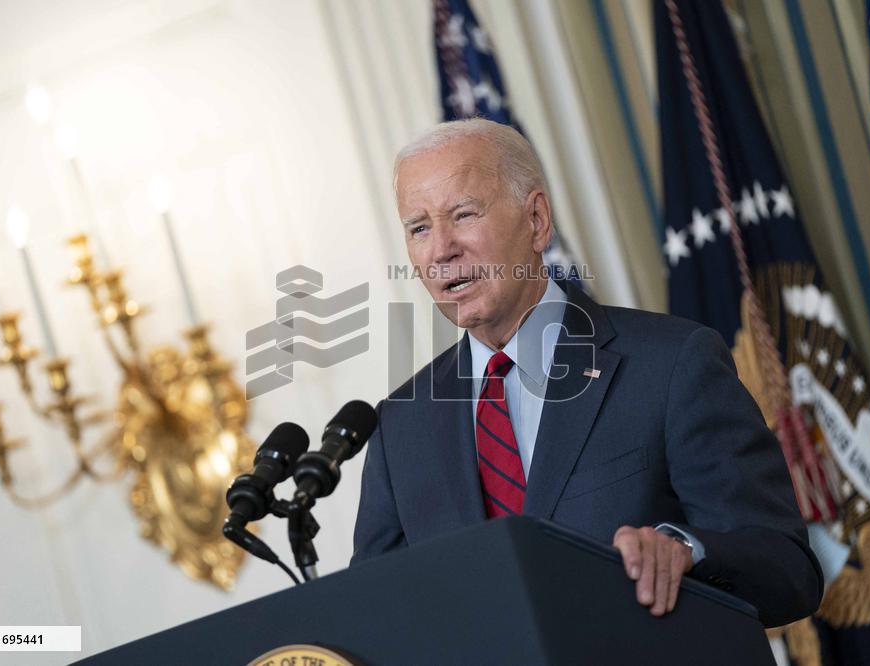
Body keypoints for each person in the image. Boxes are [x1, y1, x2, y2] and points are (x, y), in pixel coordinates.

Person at [351, 118, 821, 627]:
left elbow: (789, 570)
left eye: (463, 215)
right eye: (419, 228)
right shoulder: (400, 426)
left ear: (537, 221)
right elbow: (376, 615)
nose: (441, 249)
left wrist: (687, 551)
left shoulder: (672, 364)